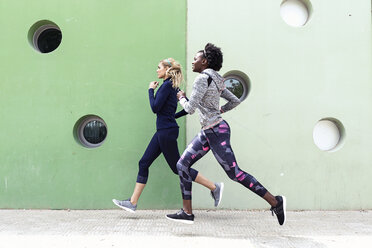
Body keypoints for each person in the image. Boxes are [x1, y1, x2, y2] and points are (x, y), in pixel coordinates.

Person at [166, 44, 286, 225]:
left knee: (235, 174)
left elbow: (190, 109)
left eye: (196, 59)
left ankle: (275, 202)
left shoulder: (201, 79)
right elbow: (235, 100)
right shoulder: (217, 79)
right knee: (182, 164)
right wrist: (218, 110)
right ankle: (187, 212)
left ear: (204, 62)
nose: (193, 61)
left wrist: (181, 97)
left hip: (215, 131)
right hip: (210, 130)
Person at [113, 58, 223, 213]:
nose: (157, 70)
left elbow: (155, 108)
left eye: (159, 67)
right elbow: (185, 107)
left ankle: (214, 186)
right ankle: (133, 202)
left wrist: (150, 90)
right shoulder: (173, 87)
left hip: (166, 131)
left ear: (167, 70)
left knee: (177, 168)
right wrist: (172, 117)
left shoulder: (166, 86)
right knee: (144, 163)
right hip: (164, 130)